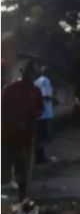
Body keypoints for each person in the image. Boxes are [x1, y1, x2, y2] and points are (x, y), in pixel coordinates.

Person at [1, 62, 44, 204]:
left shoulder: (36, 91)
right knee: (3, 172)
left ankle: (21, 201)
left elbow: (40, 110)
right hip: (7, 136)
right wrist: (13, 121)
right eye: (27, 73)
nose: (29, 76)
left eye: (31, 73)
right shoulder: (9, 89)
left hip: (26, 138)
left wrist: (33, 113)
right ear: (22, 73)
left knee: (23, 172)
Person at [33, 65, 56, 164]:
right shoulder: (45, 80)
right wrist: (53, 99)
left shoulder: (37, 81)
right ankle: (40, 158)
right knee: (44, 136)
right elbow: (44, 95)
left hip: (39, 113)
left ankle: (39, 157)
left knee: (39, 136)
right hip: (45, 113)